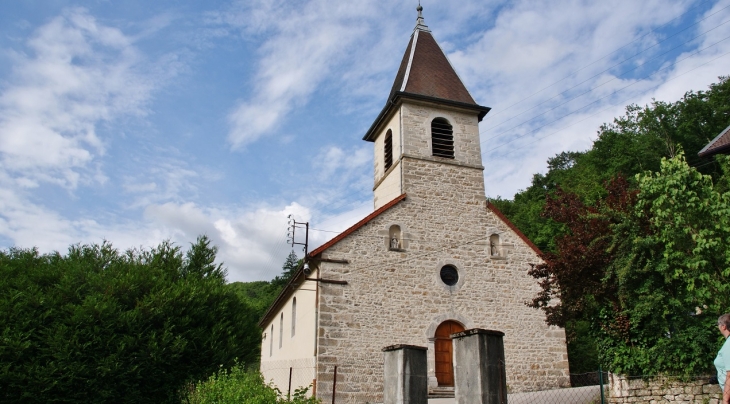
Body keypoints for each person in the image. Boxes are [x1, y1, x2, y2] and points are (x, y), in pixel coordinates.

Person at [715, 314, 730, 404]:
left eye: (718, 324)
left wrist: (725, 400)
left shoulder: (729, 345)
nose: (718, 327)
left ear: (723, 326)